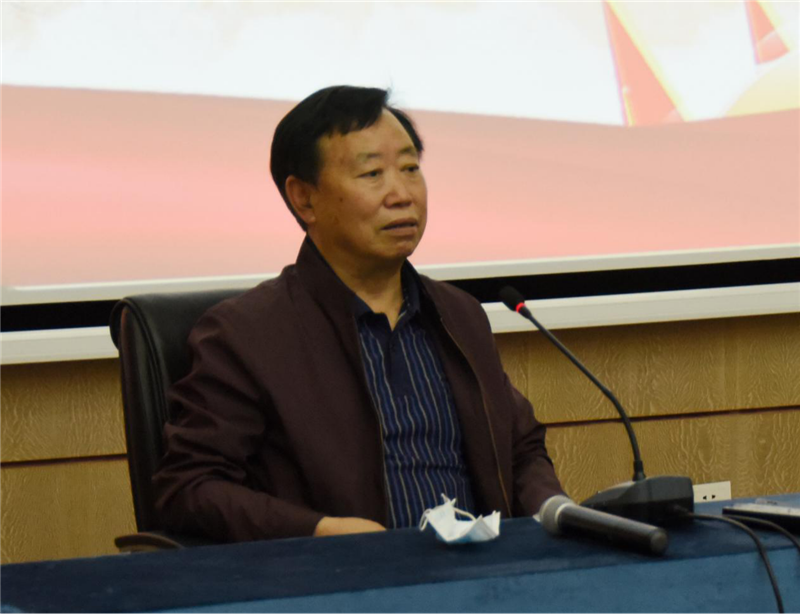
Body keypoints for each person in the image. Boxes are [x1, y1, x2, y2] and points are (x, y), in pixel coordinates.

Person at [153, 85, 564, 542]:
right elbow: (189, 489)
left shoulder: (457, 314)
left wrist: (555, 512)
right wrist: (321, 532)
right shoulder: (247, 334)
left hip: (485, 571)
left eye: (410, 169)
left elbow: (521, 449)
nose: (402, 194)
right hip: (340, 575)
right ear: (304, 199)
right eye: (372, 174)